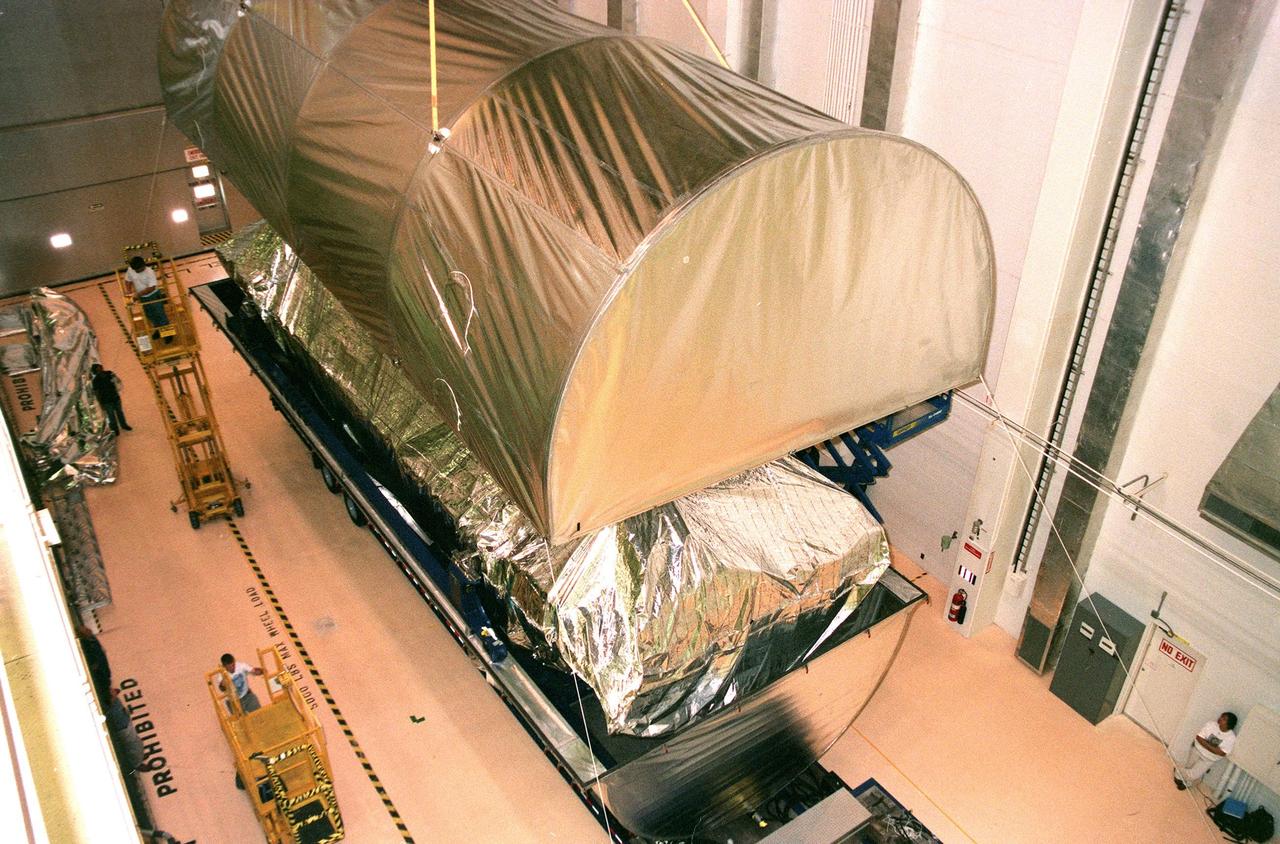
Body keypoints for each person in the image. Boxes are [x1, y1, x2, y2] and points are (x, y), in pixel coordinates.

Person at [1174, 711, 1238, 790]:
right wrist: (1214, 748)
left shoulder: (1231, 737)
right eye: (1221, 716)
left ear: (1229, 724)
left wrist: (1205, 744)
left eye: (1224, 719)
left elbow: (1222, 753)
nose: (1220, 719)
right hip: (1197, 750)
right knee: (1188, 767)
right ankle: (1182, 779)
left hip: (1209, 759)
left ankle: (1178, 770)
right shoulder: (1211, 725)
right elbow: (1199, 738)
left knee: (1194, 775)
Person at [125, 255, 169, 329]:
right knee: (149, 314)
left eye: (138, 270)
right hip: (142, 297)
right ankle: (157, 329)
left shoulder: (150, 272)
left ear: (143, 265)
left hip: (153, 296)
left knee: (159, 314)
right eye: (135, 270)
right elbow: (128, 280)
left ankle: (167, 333)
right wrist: (129, 291)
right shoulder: (131, 269)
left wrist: (137, 295)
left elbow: (151, 288)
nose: (137, 271)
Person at [90, 363, 132, 433]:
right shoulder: (95, 381)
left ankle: (124, 425)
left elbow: (117, 381)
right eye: (98, 367)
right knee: (111, 415)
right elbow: (96, 392)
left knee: (120, 412)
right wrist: (100, 403)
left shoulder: (109, 373)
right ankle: (115, 430)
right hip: (106, 400)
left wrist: (115, 377)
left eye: (100, 367)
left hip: (115, 396)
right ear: (96, 369)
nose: (100, 368)